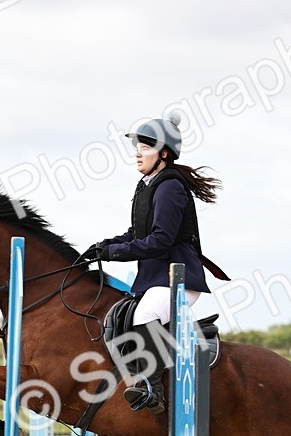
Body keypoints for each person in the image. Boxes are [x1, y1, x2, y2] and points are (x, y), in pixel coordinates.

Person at [82, 111, 230, 414]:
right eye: (137, 147)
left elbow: (161, 240)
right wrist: (104, 246)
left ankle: (153, 389)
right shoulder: (147, 185)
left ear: (164, 153)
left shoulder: (170, 187)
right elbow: (136, 234)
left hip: (180, 279)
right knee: (118, 315)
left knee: (145, 313)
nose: (137, 153)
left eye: (145, 147)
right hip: (156, 279)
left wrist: (114, 254)